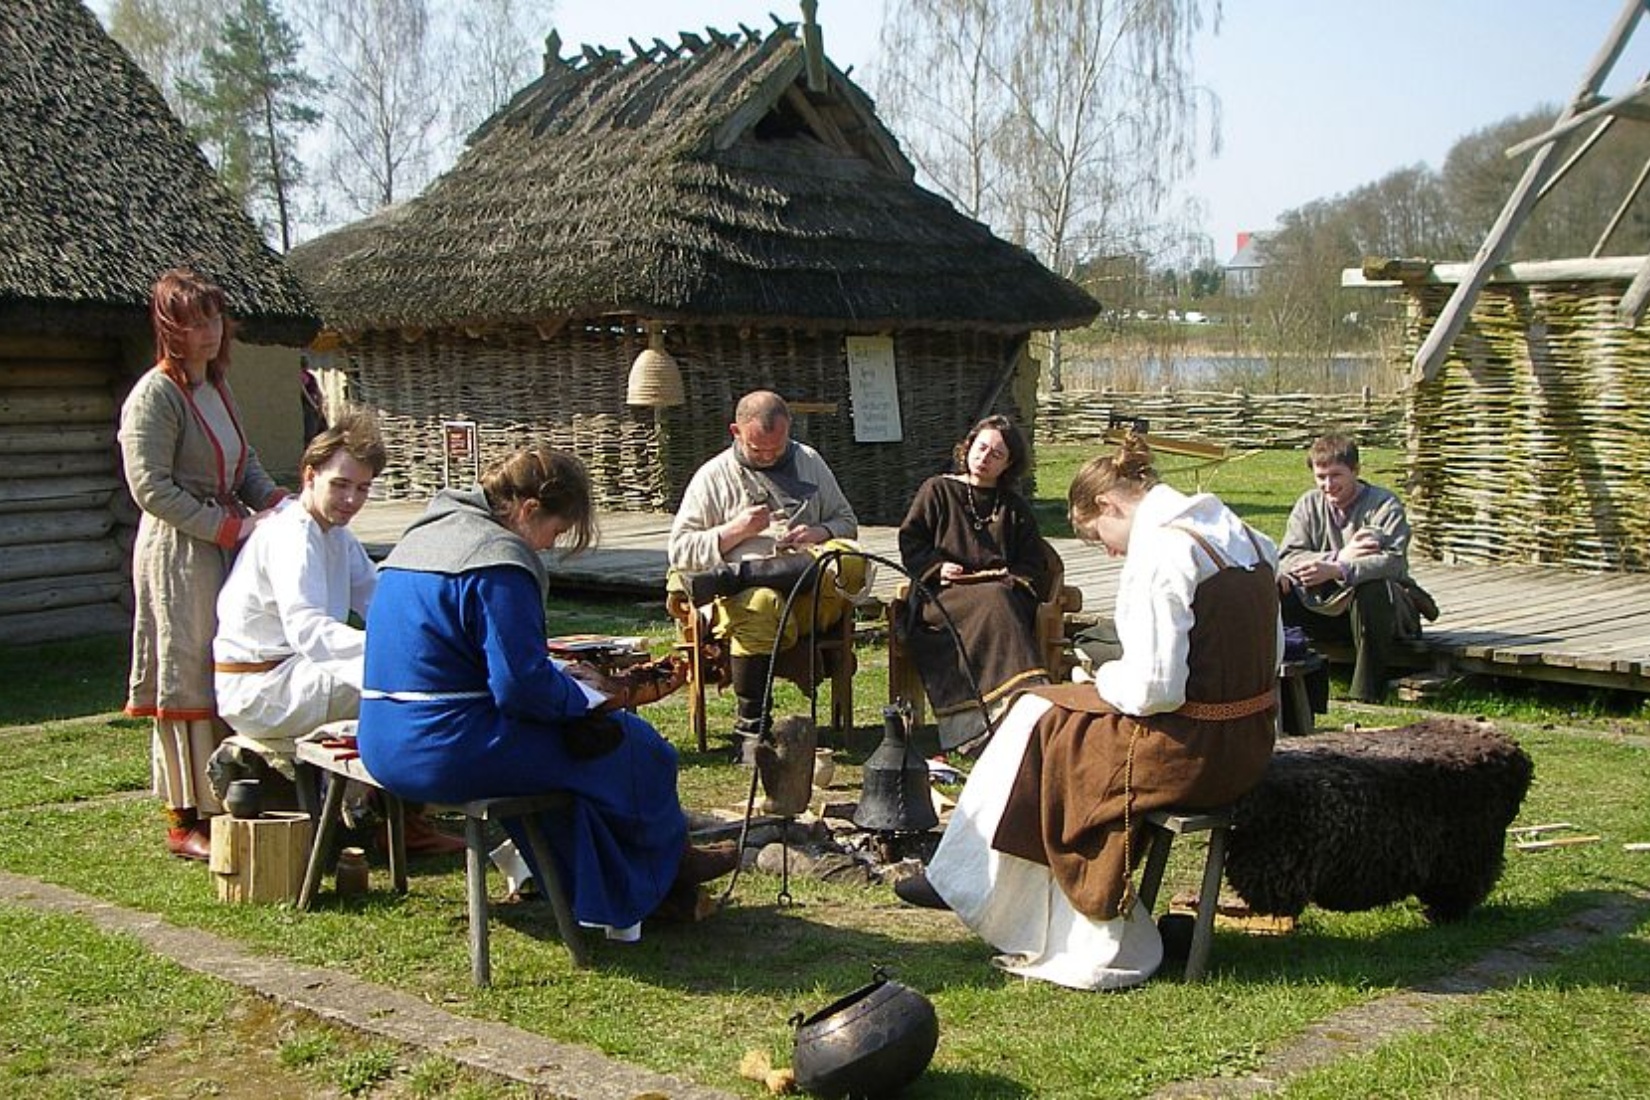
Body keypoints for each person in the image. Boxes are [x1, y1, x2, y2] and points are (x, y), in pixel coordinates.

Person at [902, 433, 1282, 991]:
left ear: (1109, 505)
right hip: (1247, 746)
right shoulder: (1249, 538)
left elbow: (1156, 688)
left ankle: (980, 884)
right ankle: (962, 873)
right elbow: (1269, 657)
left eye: (1098, 536)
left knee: (1039, 725)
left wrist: (1101, 677)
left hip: (1189, 754)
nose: (1109, 552)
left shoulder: (1165, 550)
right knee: (1038, 708)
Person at [356, 447, 734, 939]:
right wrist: (585, 698)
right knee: (635, 748)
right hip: (444, 749)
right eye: (554, 532)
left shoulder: (421, 540)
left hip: (383, 741)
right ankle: (659, 876)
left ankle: (618, 885)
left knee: (583, 759)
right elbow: (520, 687)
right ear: (528, 510)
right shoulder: (497, 562)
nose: (550, 547)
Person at [119, 267, 288, 861]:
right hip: (179, 552)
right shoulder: (156, 395)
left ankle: (232, 789)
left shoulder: (217, 389)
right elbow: (151, 487)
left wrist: (282, 504)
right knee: (186, 664)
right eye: (195, 322)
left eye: (214, 318)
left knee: (229, 654)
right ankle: (182, 813)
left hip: (226, 543)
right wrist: (232, 525)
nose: (209, 332)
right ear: (172, 328)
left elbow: (245, 467)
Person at [667, 391, 866, 758]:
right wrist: (735, 532)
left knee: (850, 559)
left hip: (811, 598)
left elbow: (847, 522)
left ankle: (745, 574)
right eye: (759, 449)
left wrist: (819, 533)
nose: (771, 455)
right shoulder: (713, 476)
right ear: (735, 432)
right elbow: (679, 550)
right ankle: (752, 732)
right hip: (754, 609)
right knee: (760, 603)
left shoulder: (808, 460)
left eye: (778, 446)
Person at [896, 415, 1056, 750]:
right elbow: (912, 542)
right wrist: (937, 568)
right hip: (943, 596)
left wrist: (1009, 579)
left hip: (1001, 594)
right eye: (981, 448)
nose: (985, 458)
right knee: (994, 602)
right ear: (968, 447)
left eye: (996, 454)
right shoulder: (937, 490)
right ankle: (979, 726)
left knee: (997, 599)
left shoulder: (1013, 508)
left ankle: (1013, 712)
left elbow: (1033, 563)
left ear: (1009, 463)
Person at [1278, 433, 1425, 702]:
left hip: (1380, 612)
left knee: (1372, 588)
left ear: (1355, 471)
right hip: (1322, 604)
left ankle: (1365, 692)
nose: (1328, 484)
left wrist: (1339, 570)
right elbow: (1287, 556)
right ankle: (1283, 676)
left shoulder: (1384, 505)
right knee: (1277, 587)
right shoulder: (1308, 505)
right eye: (1321, 477)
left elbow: (1392, 561)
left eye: (1336, 475)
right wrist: (1338, 557)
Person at [300, 365, 327, 446]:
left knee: (320, 428)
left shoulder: (310, 376)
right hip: (309, 405)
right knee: (310, 430)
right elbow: (304, 392)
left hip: (314, 403)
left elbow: (318, 392)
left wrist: (320, 405)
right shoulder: (301, 376)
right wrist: (314, 405)